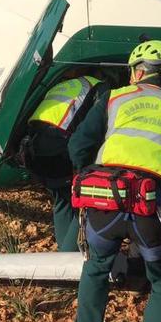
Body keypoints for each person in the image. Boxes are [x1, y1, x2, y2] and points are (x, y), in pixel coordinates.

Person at [68, 40, 161, 322]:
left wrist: (89, 174)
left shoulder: (114, 98)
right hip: (150, 209)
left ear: (136, 71)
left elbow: (78, 146)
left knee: (96, 267)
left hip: (103, 203)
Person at [21, 69, 110, 251]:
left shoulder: (64, 85)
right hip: (60, 149)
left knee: (62, 200)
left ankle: (62, 256)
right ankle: (68, 256)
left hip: (34, 150)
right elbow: (95, 127)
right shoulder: (100, 88)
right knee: (84, 204)